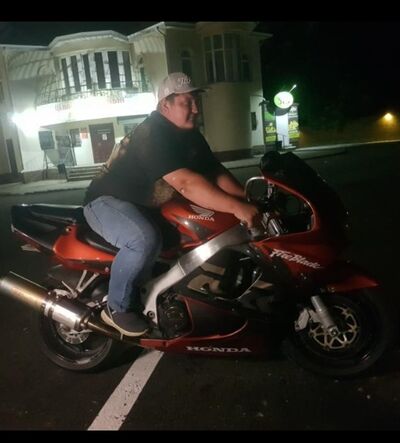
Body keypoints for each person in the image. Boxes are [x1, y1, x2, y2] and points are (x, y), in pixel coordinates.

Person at [82, 72, 259, 337]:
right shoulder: (153, 133)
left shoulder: (191, 136)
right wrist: (236, 207)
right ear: (165, 104)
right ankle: (117, 308)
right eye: (187, 102)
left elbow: (216, 173)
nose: (196, 109)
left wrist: (249, 199)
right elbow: (186, 183)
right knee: (143, 239)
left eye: (197, 101)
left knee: (193, 234)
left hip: (144, 205)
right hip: (106, 201)